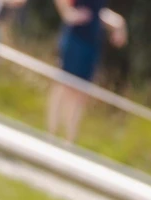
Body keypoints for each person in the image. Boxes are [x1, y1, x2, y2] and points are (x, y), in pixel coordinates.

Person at [46, 0, 126, 142]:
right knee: (65, 85)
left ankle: (68, 140)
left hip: (92, 43)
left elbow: (96, 12)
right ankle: (51, 134)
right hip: (75, 38)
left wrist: (118, 24)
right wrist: (68, 14)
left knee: (81, 92)